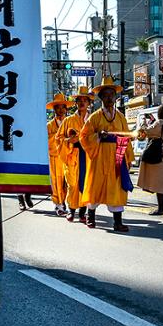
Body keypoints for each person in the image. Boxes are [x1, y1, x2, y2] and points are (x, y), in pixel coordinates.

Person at [79, 77, 135, 231]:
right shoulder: (94, 117)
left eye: (112, 95)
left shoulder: (121, 117)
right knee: (95, 186)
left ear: (115, 97)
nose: (109, 98)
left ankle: (117, 222)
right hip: (99, 156)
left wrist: (128, 158)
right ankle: (91, 217)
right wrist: (98, 136)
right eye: (106, 95)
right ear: (101, 97)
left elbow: (128, 137)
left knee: (117, 188)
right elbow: (83, 137)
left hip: (117, 156)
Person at [58, 86, 94, 223]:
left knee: (86, 184)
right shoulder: (68, 121)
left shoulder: (93, 119)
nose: (82, 103)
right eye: (79, 100)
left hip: (88, 156)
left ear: (89, 103)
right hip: (73, 155)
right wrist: (69, 141)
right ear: (76, 103)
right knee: (72, 184)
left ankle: (83, 213)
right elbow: (58, 139)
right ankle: (71, 210)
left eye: (85, 100)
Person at [137, 103, 163, 216]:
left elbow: (147, 132)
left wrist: (143, 124)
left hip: (159, 154)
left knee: (159, 183)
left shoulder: (160, 123)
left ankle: (161, 209)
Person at [45, 93, 71, 216]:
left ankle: (66, 202)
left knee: (68, 182)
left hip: (69, 156)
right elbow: (47, 141)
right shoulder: (49, 125)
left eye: (62, 107)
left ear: (66, 109)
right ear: (54, 109)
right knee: (56, 182)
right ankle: (58, 204)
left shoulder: (70, 122)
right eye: (58, 107)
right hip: (55, 157)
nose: (60, 110)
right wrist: (59, 138)